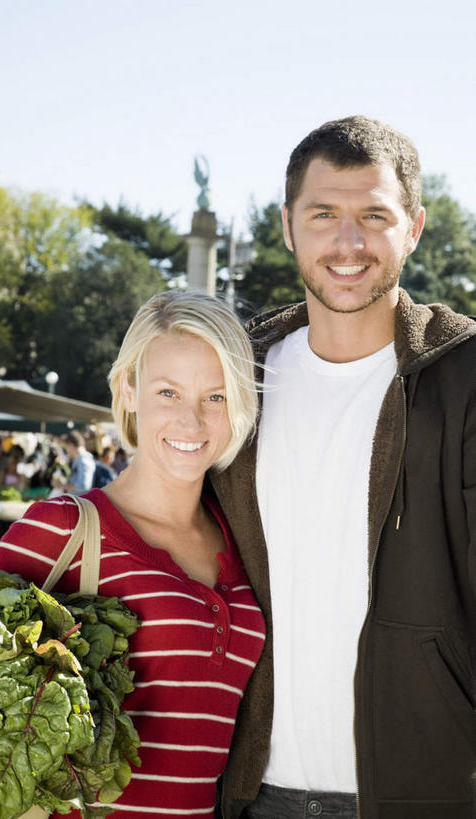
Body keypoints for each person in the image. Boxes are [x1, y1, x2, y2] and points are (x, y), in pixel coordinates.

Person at [211, 115, 476, 819]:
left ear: (413, 227)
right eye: (324, 214)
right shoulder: (235, 378)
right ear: (288, 226)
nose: (348, 242)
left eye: (373, 216)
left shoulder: (464, 378)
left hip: (425, 791)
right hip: (251, 792)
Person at [0, 290, 266, 819]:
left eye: (216, 396)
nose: (192, 421)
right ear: (127, 391)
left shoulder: (245, 541)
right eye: (168, 393)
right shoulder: (60, 531)